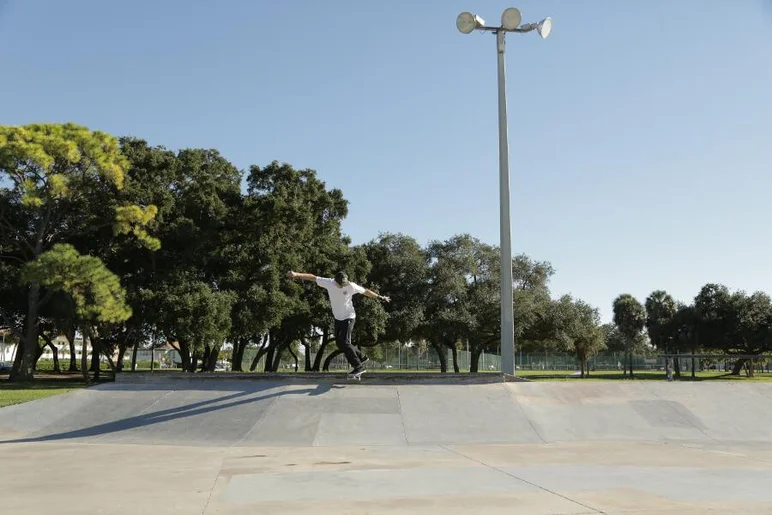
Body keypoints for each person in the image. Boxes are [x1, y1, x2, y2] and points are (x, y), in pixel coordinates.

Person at [286, 270, 390, 376]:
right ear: (335, 281)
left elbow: (365, 291)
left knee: (344, 341)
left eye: (343, 284)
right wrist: (296, 275)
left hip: (349, 317)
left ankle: (359, 367)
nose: (342, 286)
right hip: (338, 319)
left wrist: (380, 297)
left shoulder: (351, 285)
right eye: (340, 284)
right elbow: (313, 277)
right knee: (340, 343)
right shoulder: (329, 282)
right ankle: (361, 357)